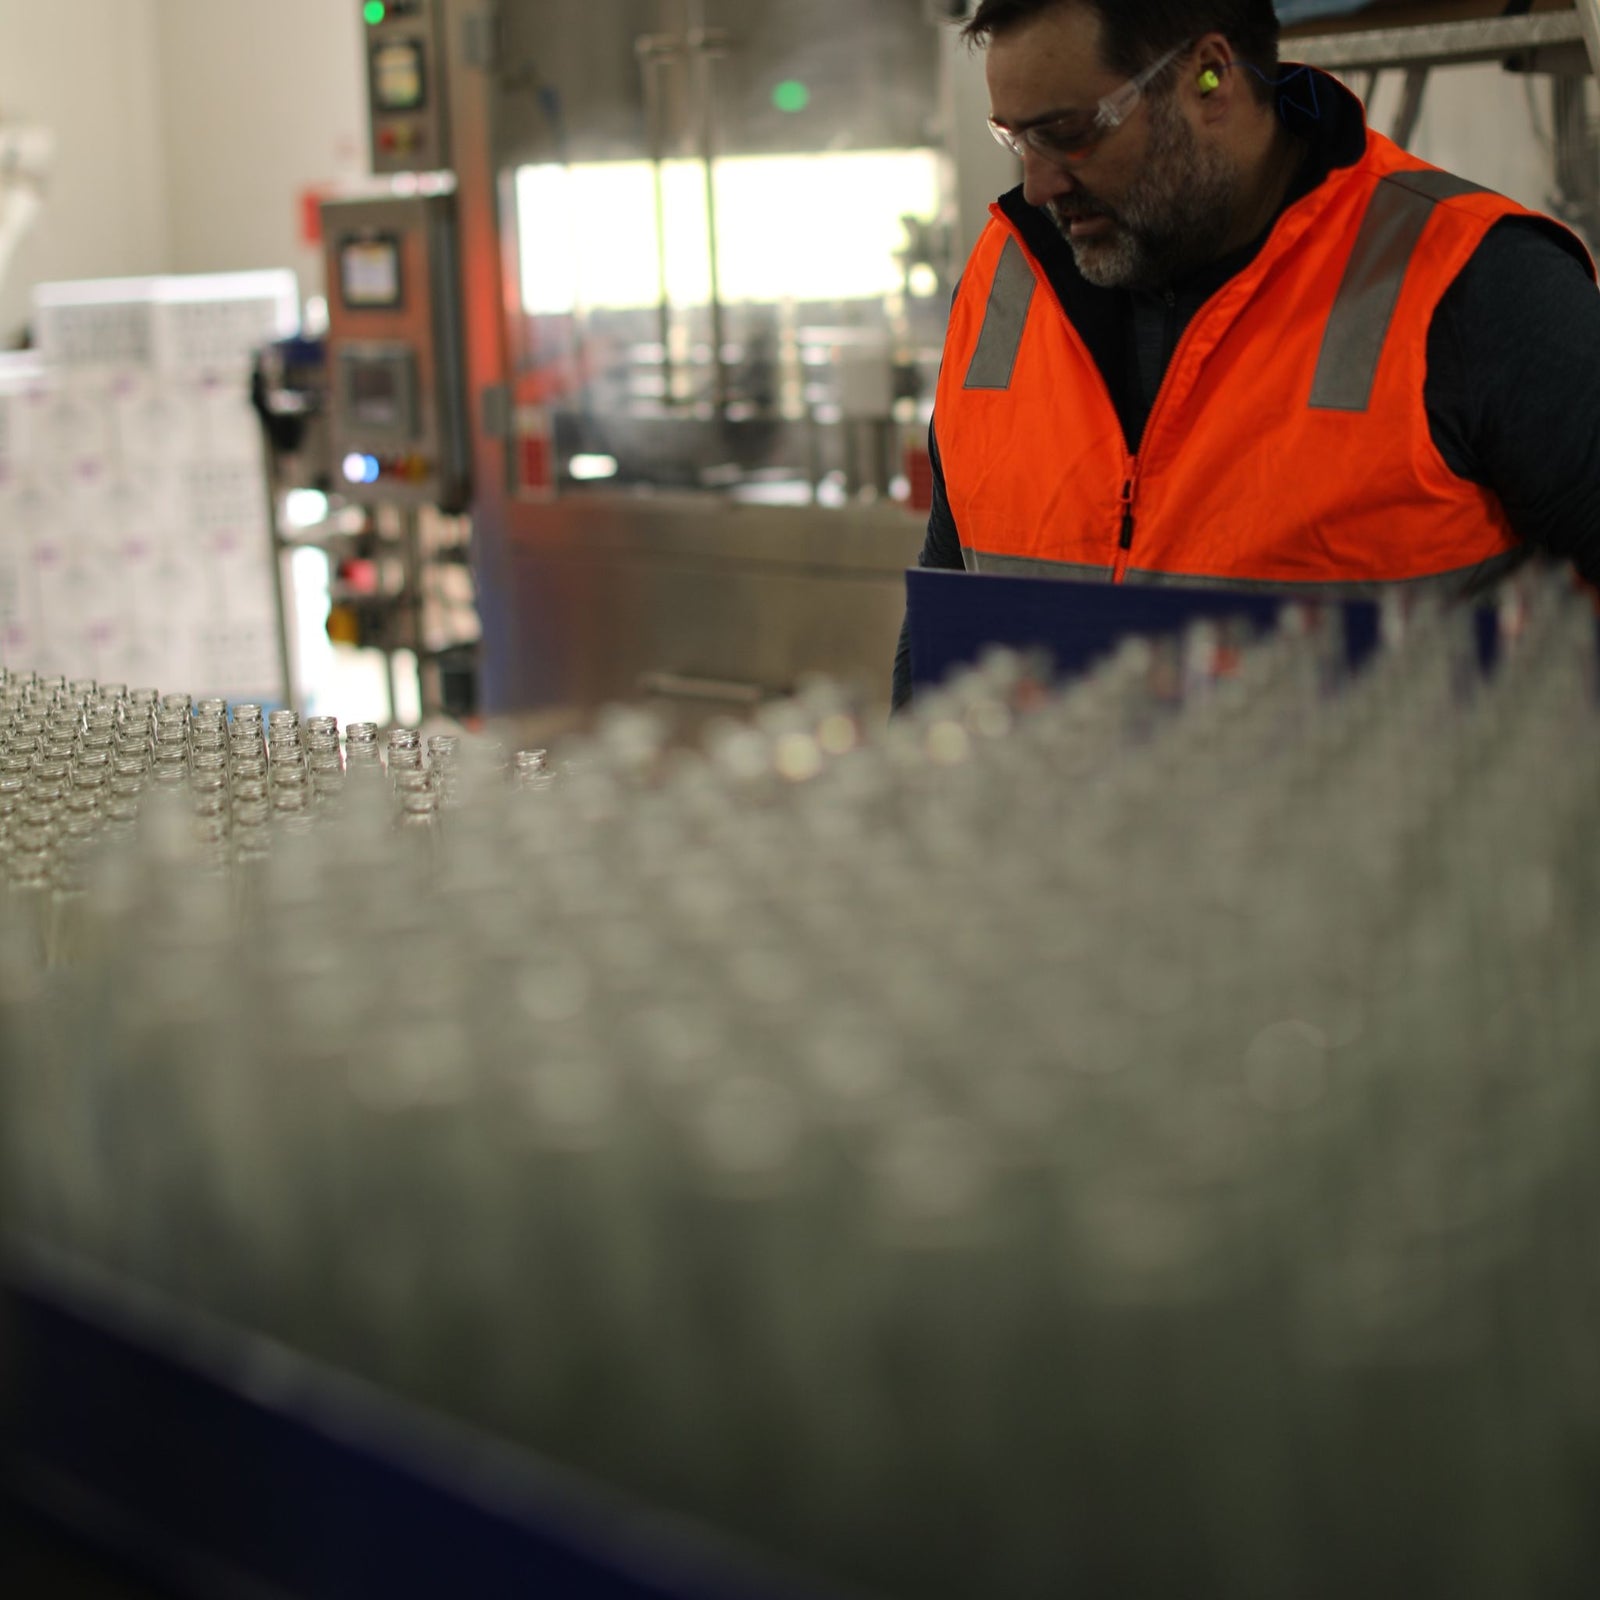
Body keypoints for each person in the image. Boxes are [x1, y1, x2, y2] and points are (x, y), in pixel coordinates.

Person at [892, 0, 1600, 710]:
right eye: (1016, 140)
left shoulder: (1475, 280)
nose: (1038, 184)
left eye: (1069, 133)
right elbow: (946, 605)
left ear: (1209, 78)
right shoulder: (1004, 278)